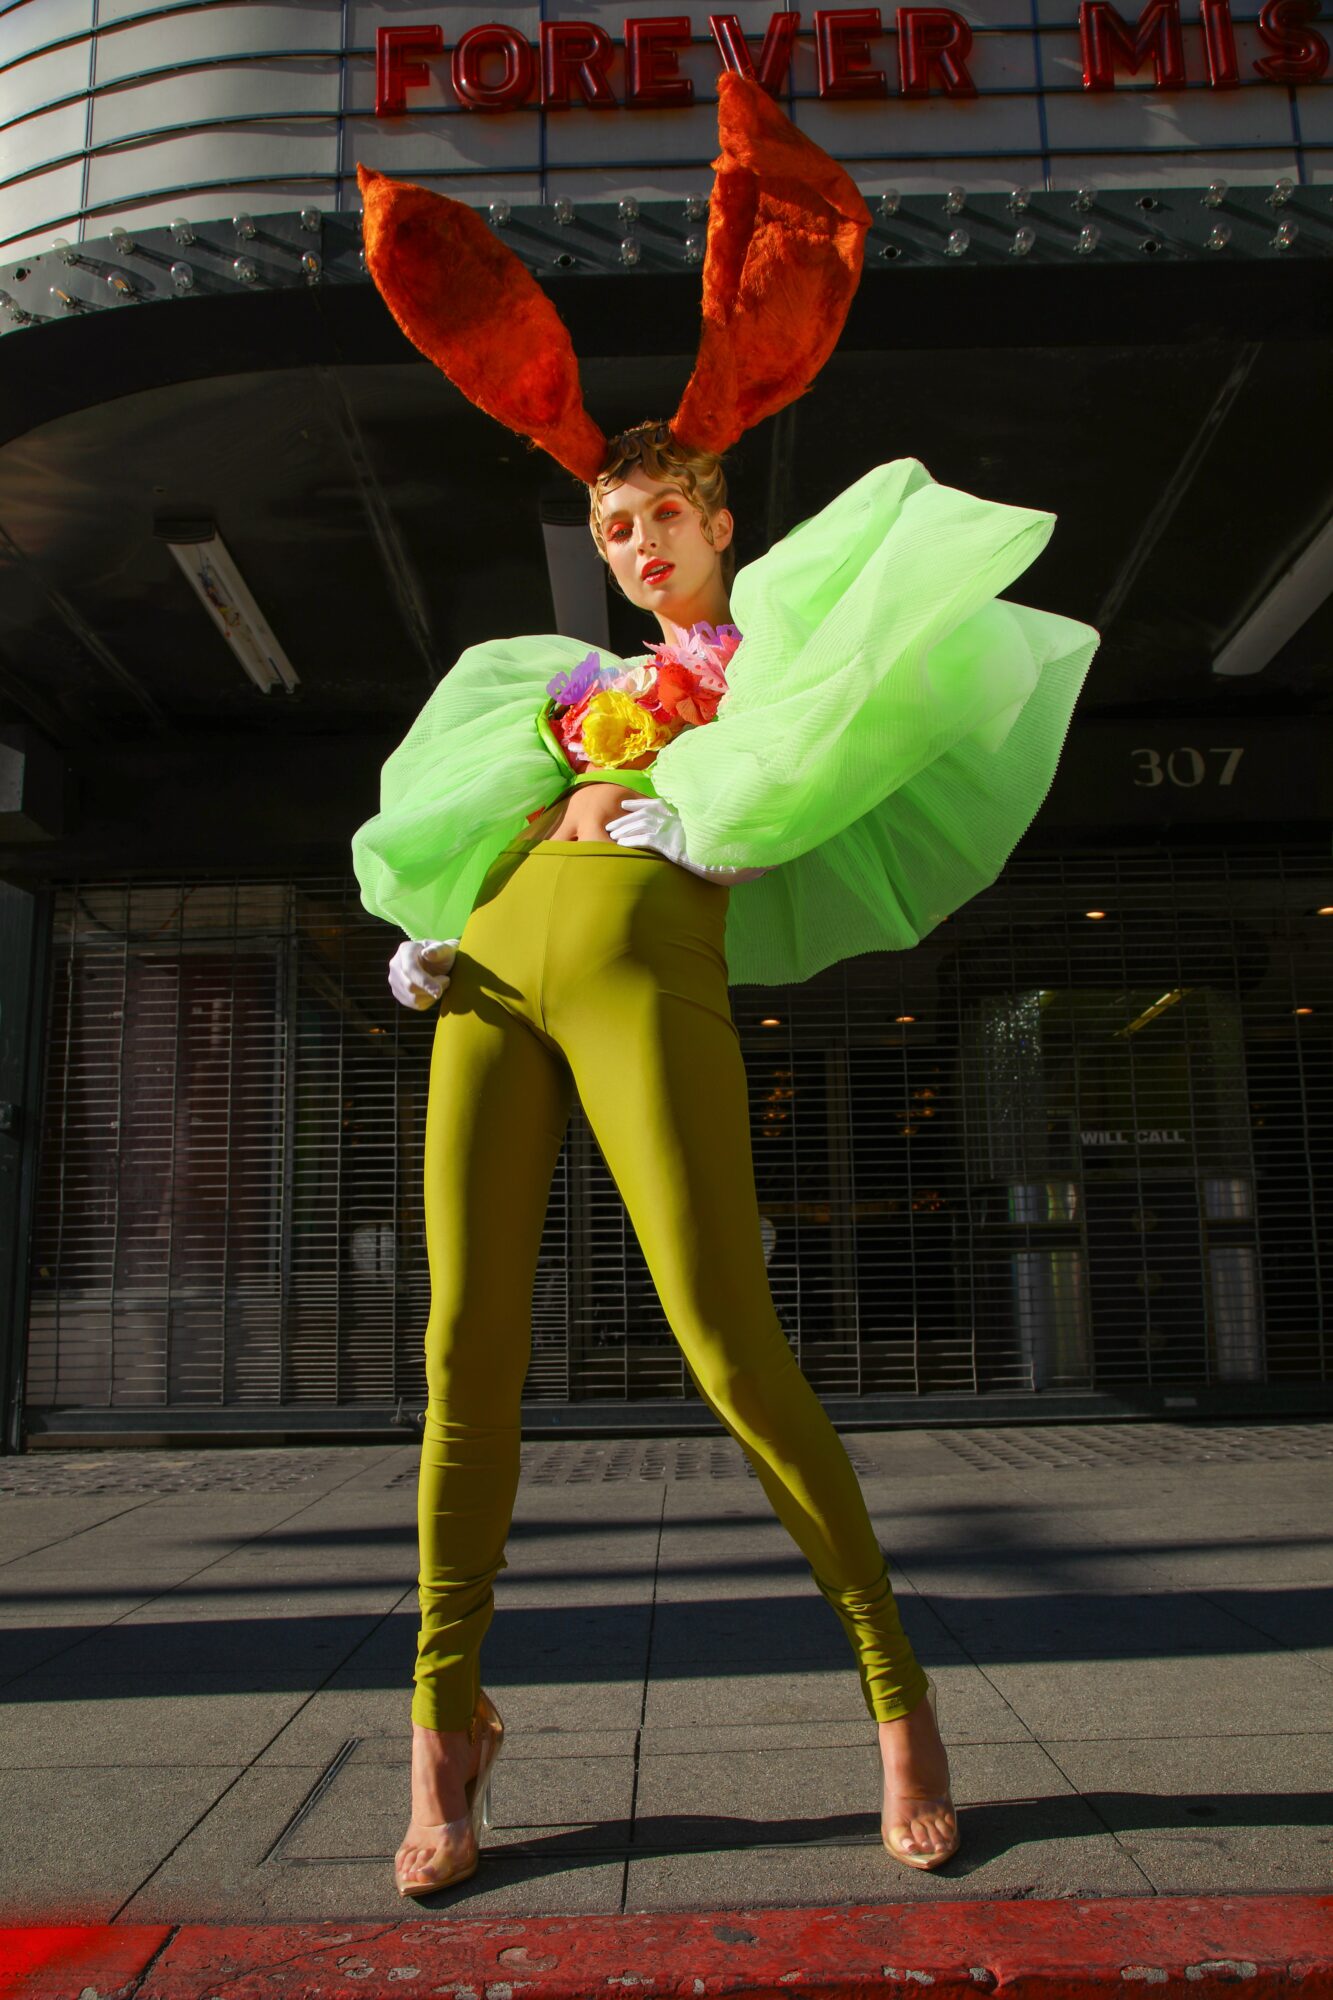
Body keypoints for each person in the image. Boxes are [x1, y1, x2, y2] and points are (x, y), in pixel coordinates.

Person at [350, 79, 1100, 1902]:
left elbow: (793, 794)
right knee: (463, 1361)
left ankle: (897, 1694)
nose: (635, 542)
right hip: (488, 978)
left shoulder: (777, 670)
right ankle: (446, 1732)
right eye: (612, 525)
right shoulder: (556, 682)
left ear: (712, 515)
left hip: (637, 979)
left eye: (661, 515)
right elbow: (457, 824)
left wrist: (673, 813)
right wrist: (453, 917)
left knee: (720, 1339)